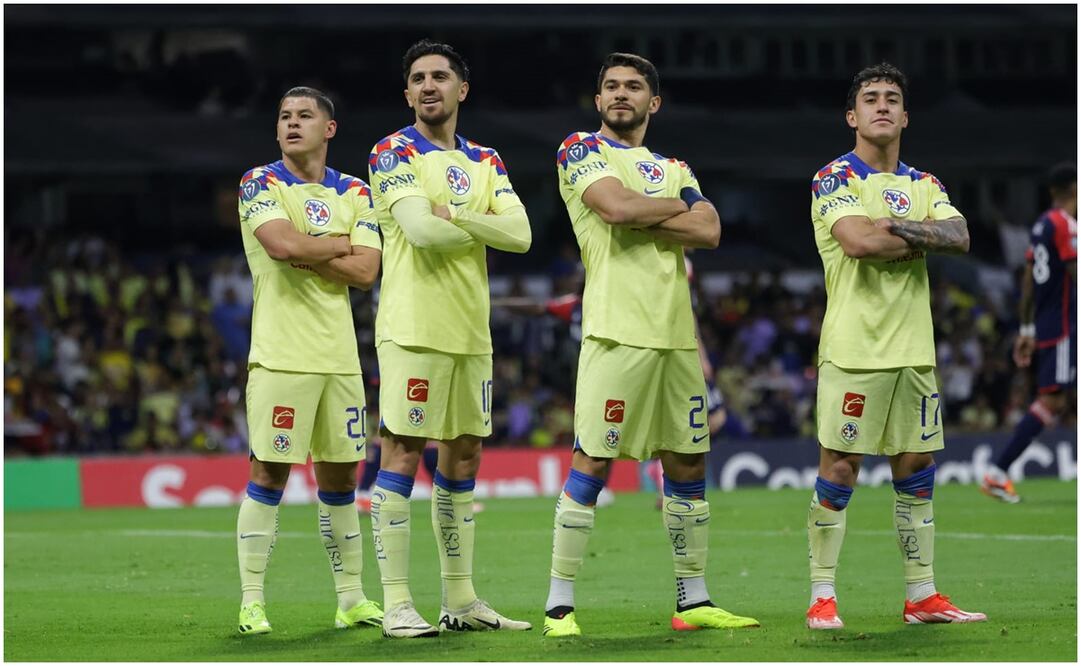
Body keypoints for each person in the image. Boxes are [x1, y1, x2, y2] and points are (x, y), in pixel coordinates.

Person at [542, 52, 758, 638]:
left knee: (687, 462)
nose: (620, 94)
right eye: (610, 86)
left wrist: (644, 214)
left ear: (653, 102)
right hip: (616, 330)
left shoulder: (674, 164)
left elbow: (709, 230)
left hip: (675, 337)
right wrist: (675, 211)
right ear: (598, 100)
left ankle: (694, 600)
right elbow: (614, 208)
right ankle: (559, 607)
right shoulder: (580, 149)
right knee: (593, 459)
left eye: (633, 87)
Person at [805, 63, 986, 630]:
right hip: (855, 348)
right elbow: (857, 242)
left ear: (904, 116)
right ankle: (821, 596)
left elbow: (960, 237)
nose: (881, 106)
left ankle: (922, 596)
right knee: (839, 467)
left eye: (891, 99)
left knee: (917, 464)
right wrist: (919, 232)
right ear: (852, 116)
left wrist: (899, 228)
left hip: (913, 351)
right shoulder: (834, 178)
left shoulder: (924, 183)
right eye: (870, 99)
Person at [366, 39, 532, 638]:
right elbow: (418, 232)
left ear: (462, 89)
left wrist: (455, 215)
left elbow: (523, 235)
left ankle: (459, 601)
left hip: (471, 332)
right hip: (414, 328)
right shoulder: (392, 151)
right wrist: (477, 225)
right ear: (407, 93)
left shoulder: (486, 158)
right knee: (404, 452)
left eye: (440, 76)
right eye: (417, 78)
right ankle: (395, 604)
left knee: (463, 456)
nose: (428, 86)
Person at [234, 87, 384, 635]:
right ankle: (252, 601)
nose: (292, 124)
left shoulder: (357, 190)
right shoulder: (260, 182)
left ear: (330, 128)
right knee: (270, 472)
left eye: (304, 116)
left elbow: (367, 273)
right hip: (281, 357)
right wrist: (337, 244)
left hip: (340, 360)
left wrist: (313, 245)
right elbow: (280, 246)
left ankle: (351, 599)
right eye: (284, 117)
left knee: (342, 479)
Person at [982, 163, 1077, 503]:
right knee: (1053, 400)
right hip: (1067, 326)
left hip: (1050, 325)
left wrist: (1025, 327)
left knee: (1059, 400)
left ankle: (997, 471)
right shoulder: (1065, 225)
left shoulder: (1041, 225)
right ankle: (997, 472)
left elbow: (1027, 278)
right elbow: (1074, 270)